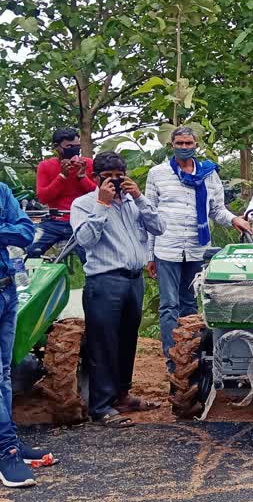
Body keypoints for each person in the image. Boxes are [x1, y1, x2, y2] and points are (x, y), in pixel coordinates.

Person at [71, 151, 166, 428]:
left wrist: (139, 197)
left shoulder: (133, 202)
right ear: (95, 178)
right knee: (103, 344)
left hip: (133, 280)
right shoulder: (84, 204)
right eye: (107, 178)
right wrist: (102, 204)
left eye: (119, 176)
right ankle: (100, 407)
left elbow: (159, 227)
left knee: (127, 341)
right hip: (104, 281)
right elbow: (85, 240)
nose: (114, 182)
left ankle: (122, 395)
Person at [145, 126, 252, 372]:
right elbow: (150, 216)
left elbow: (217, 209)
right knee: (169, 305)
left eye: (188, 143)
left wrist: (234, 219)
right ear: (171, 145)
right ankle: (173, 359)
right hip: (167, 248)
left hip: (197, 248)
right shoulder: (157, 174)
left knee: (190, 303)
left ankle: (191, 356)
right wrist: (149, 255)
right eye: (179, 143)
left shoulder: (208, 174)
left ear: (196, 145)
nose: (184, 147)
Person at [0, 181, 55, 488]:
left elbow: (24, 232)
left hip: (7, 291)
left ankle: (12, 445)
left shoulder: (2, 191)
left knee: (5, 373)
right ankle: (6, 451)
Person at [28, 127, 92, 263]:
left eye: (77, 146)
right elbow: (43, 197)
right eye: (69, 147)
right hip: (54, 221)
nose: (74, 150)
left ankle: (93, 283)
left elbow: (96, 194)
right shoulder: (45, 166)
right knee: (29, 251)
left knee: (91, 260)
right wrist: (62, 176)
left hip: (81, 221)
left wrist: (82, 177)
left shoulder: (88, 164)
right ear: (57, 147)